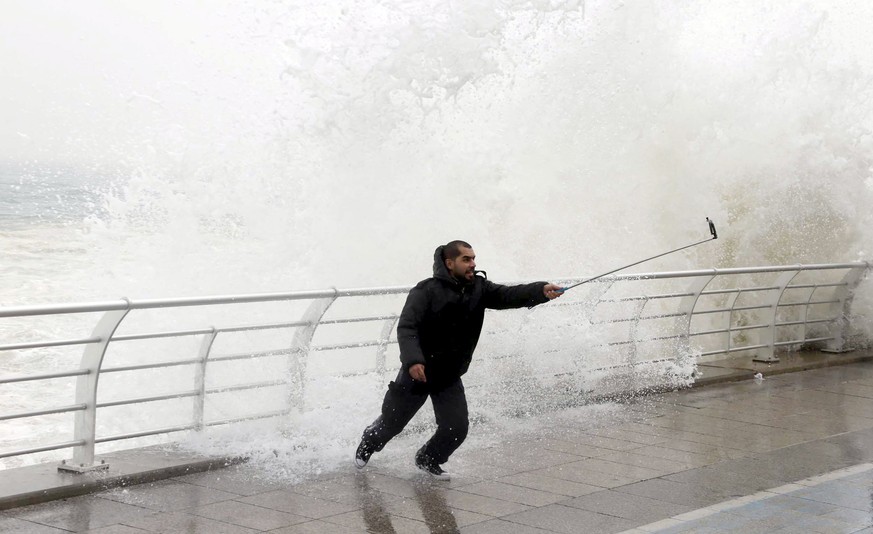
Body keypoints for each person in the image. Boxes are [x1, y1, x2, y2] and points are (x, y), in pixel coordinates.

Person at [354, 240, 563, 479]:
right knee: (392, 423)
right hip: (417, 372)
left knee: (456, 429)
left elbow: (508, 295)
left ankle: (427, 459)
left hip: (449, 374)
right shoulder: (425, 290)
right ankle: (368, 442)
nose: (473, 264)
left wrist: (540, 291)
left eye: (474, 258)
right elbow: (407, 328)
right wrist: (413, 361)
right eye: (466, 259)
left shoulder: (479, 288)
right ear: (449, 262)